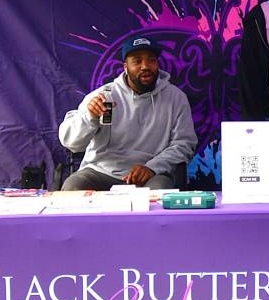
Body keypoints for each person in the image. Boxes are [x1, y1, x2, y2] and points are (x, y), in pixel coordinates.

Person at [59, 36, 196, 190]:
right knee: (73, 187)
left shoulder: (176, 98)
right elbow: (71, 143)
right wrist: (89, 117)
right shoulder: (103, 96)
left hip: (150, 174)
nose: (145, 66)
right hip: (100, 172)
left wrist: (153, 167)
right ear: (125, 67)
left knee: (161, 190)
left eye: (151, 60)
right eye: (137, 61)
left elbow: (184, 143)